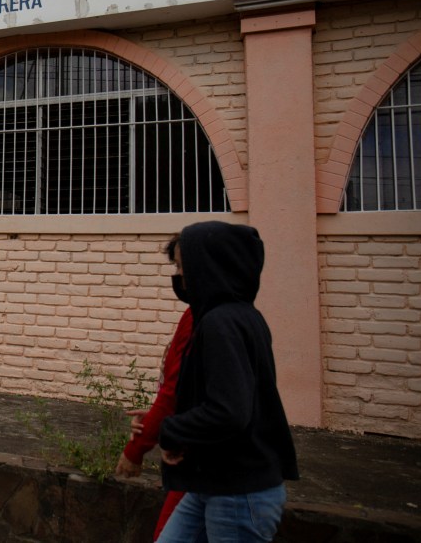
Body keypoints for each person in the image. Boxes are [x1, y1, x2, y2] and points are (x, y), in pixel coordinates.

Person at [156, 221, 299, 542]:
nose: (179, 277)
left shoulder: (222, 324)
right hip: (213, 482)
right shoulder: (240, 316)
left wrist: (171, 431)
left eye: (184, 267)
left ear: (209, 267)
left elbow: (228, 411)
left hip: (238, 493)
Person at [114, 234, 192, 541]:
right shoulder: (207, 316)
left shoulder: (210, 321)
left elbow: (174, 393)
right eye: (177, 266)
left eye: (183, 267)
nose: (179, 276)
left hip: (218, 473)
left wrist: (138, 447)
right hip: (204, 467)